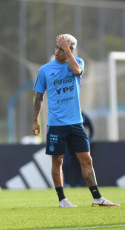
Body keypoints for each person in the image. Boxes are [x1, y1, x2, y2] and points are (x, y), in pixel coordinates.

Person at [32, 34, 120, 207]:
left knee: (86, 160)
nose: (57, 51)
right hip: (56, 125)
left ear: (70, 50)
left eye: (61, 48)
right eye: (56, 47)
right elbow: (39, 96)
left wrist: (67, 51)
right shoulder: (45, 70)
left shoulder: (77, 62)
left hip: (76, 123)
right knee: (57, 162)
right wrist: (35, 120)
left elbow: (76, 71)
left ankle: (97, 197)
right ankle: (62, 199)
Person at [63, 112, 94, 187]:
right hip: (68, 143)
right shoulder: (68, 115)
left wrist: (89, 140)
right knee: (66, 163)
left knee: (81, 163)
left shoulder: (84, 116)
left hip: (79, 143)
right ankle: (66, 182)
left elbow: (91, 129)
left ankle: (79, 183)